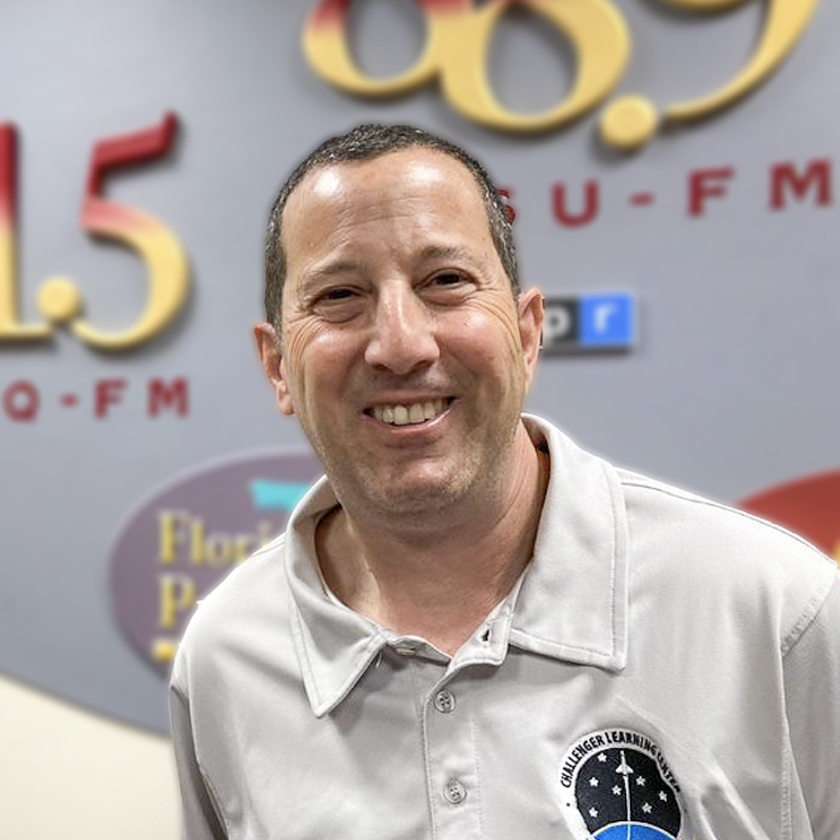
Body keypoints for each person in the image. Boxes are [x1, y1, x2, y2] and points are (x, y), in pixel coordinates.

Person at [170, 123, 840, 840]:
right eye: (339, 295)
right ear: (278, 367)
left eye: (445, 282)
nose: (400, 343)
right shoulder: (226, 658)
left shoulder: (774, 614)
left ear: (526, 334)